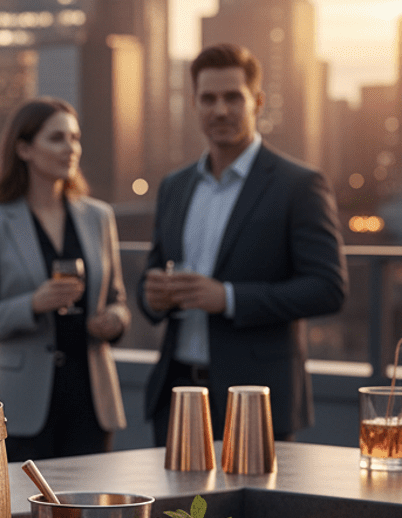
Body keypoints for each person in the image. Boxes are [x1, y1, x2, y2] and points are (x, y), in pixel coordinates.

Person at [139, 43, 347, 443]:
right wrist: (154, 296)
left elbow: (328, 289)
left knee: (254, 509)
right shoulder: (174, 186)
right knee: (176, 509)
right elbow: (151, 275)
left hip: (256, 401)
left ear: (258, 101)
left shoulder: (299, 185)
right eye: (208, 98)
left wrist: (229, 298)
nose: (220, 110)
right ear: (194, 104)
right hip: (176, 396)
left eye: (233, 97)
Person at [0, 98, 129, 460]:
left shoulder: (99, 217)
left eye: (75, 138)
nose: (70, 148)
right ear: (24, 149)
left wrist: (114, 320)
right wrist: (32, 305)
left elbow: (118, 300)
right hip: (22, 404)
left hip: (92, 399)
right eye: (56, 138)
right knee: (26, 512)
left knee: (88, 511)